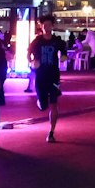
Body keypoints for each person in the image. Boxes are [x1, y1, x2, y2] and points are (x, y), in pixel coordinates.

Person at [28, 13, 68, 144]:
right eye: (44, 25)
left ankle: (51, 132)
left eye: (49, 25)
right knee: (43, 105)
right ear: (41, 26)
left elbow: (64, 54)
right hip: (40, 76)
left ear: (52, 26)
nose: (46, 27)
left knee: (54, 104)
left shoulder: (57, 41)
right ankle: (40, 102)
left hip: (53, 76)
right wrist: (32, 62)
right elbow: (28, 55)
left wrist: (63, 58)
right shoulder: (37, 41)